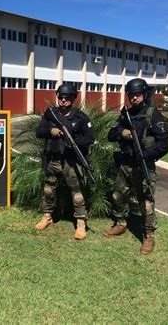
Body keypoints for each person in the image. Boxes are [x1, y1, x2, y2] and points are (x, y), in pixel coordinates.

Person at [104, 78, 168, 254]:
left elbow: (165, 143)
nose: (134, 98)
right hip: (125, 164)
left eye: (137, 95)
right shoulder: (126, 113)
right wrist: (122, 132)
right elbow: (111, 134)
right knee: (118, 196)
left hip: (144, 165)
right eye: (131, 95)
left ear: (144, 94)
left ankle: (148, 236)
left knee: (146, 202)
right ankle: (121, 223)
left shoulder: (153, 115)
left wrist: (146, 156)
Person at [35, 84, 95, 240]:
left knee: (77, 193)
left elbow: (90, 138)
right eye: (60, 97)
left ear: (73, 98)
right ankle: (47, 216)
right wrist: (51, 131)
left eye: (67, 98)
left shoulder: (80, 117)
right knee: (49, 189)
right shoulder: (50, 114)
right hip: (53, 159)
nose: (63, 100)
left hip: (71, 161)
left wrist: (74, 142)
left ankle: (81, 222)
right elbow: (39, 132)